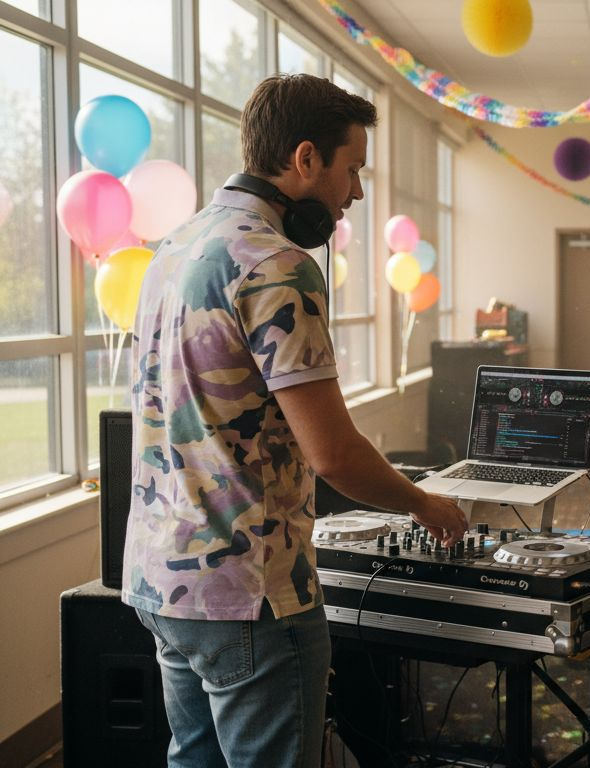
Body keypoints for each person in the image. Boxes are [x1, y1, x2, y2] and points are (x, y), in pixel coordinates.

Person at [121, 74, 468, 768]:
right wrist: (425, 503)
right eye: (352, 170)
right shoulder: (276, 265)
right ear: (305, 159)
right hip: (250, 594)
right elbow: (333, 452)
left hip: (160, 579)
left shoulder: (171, 250)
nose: (356, 194)